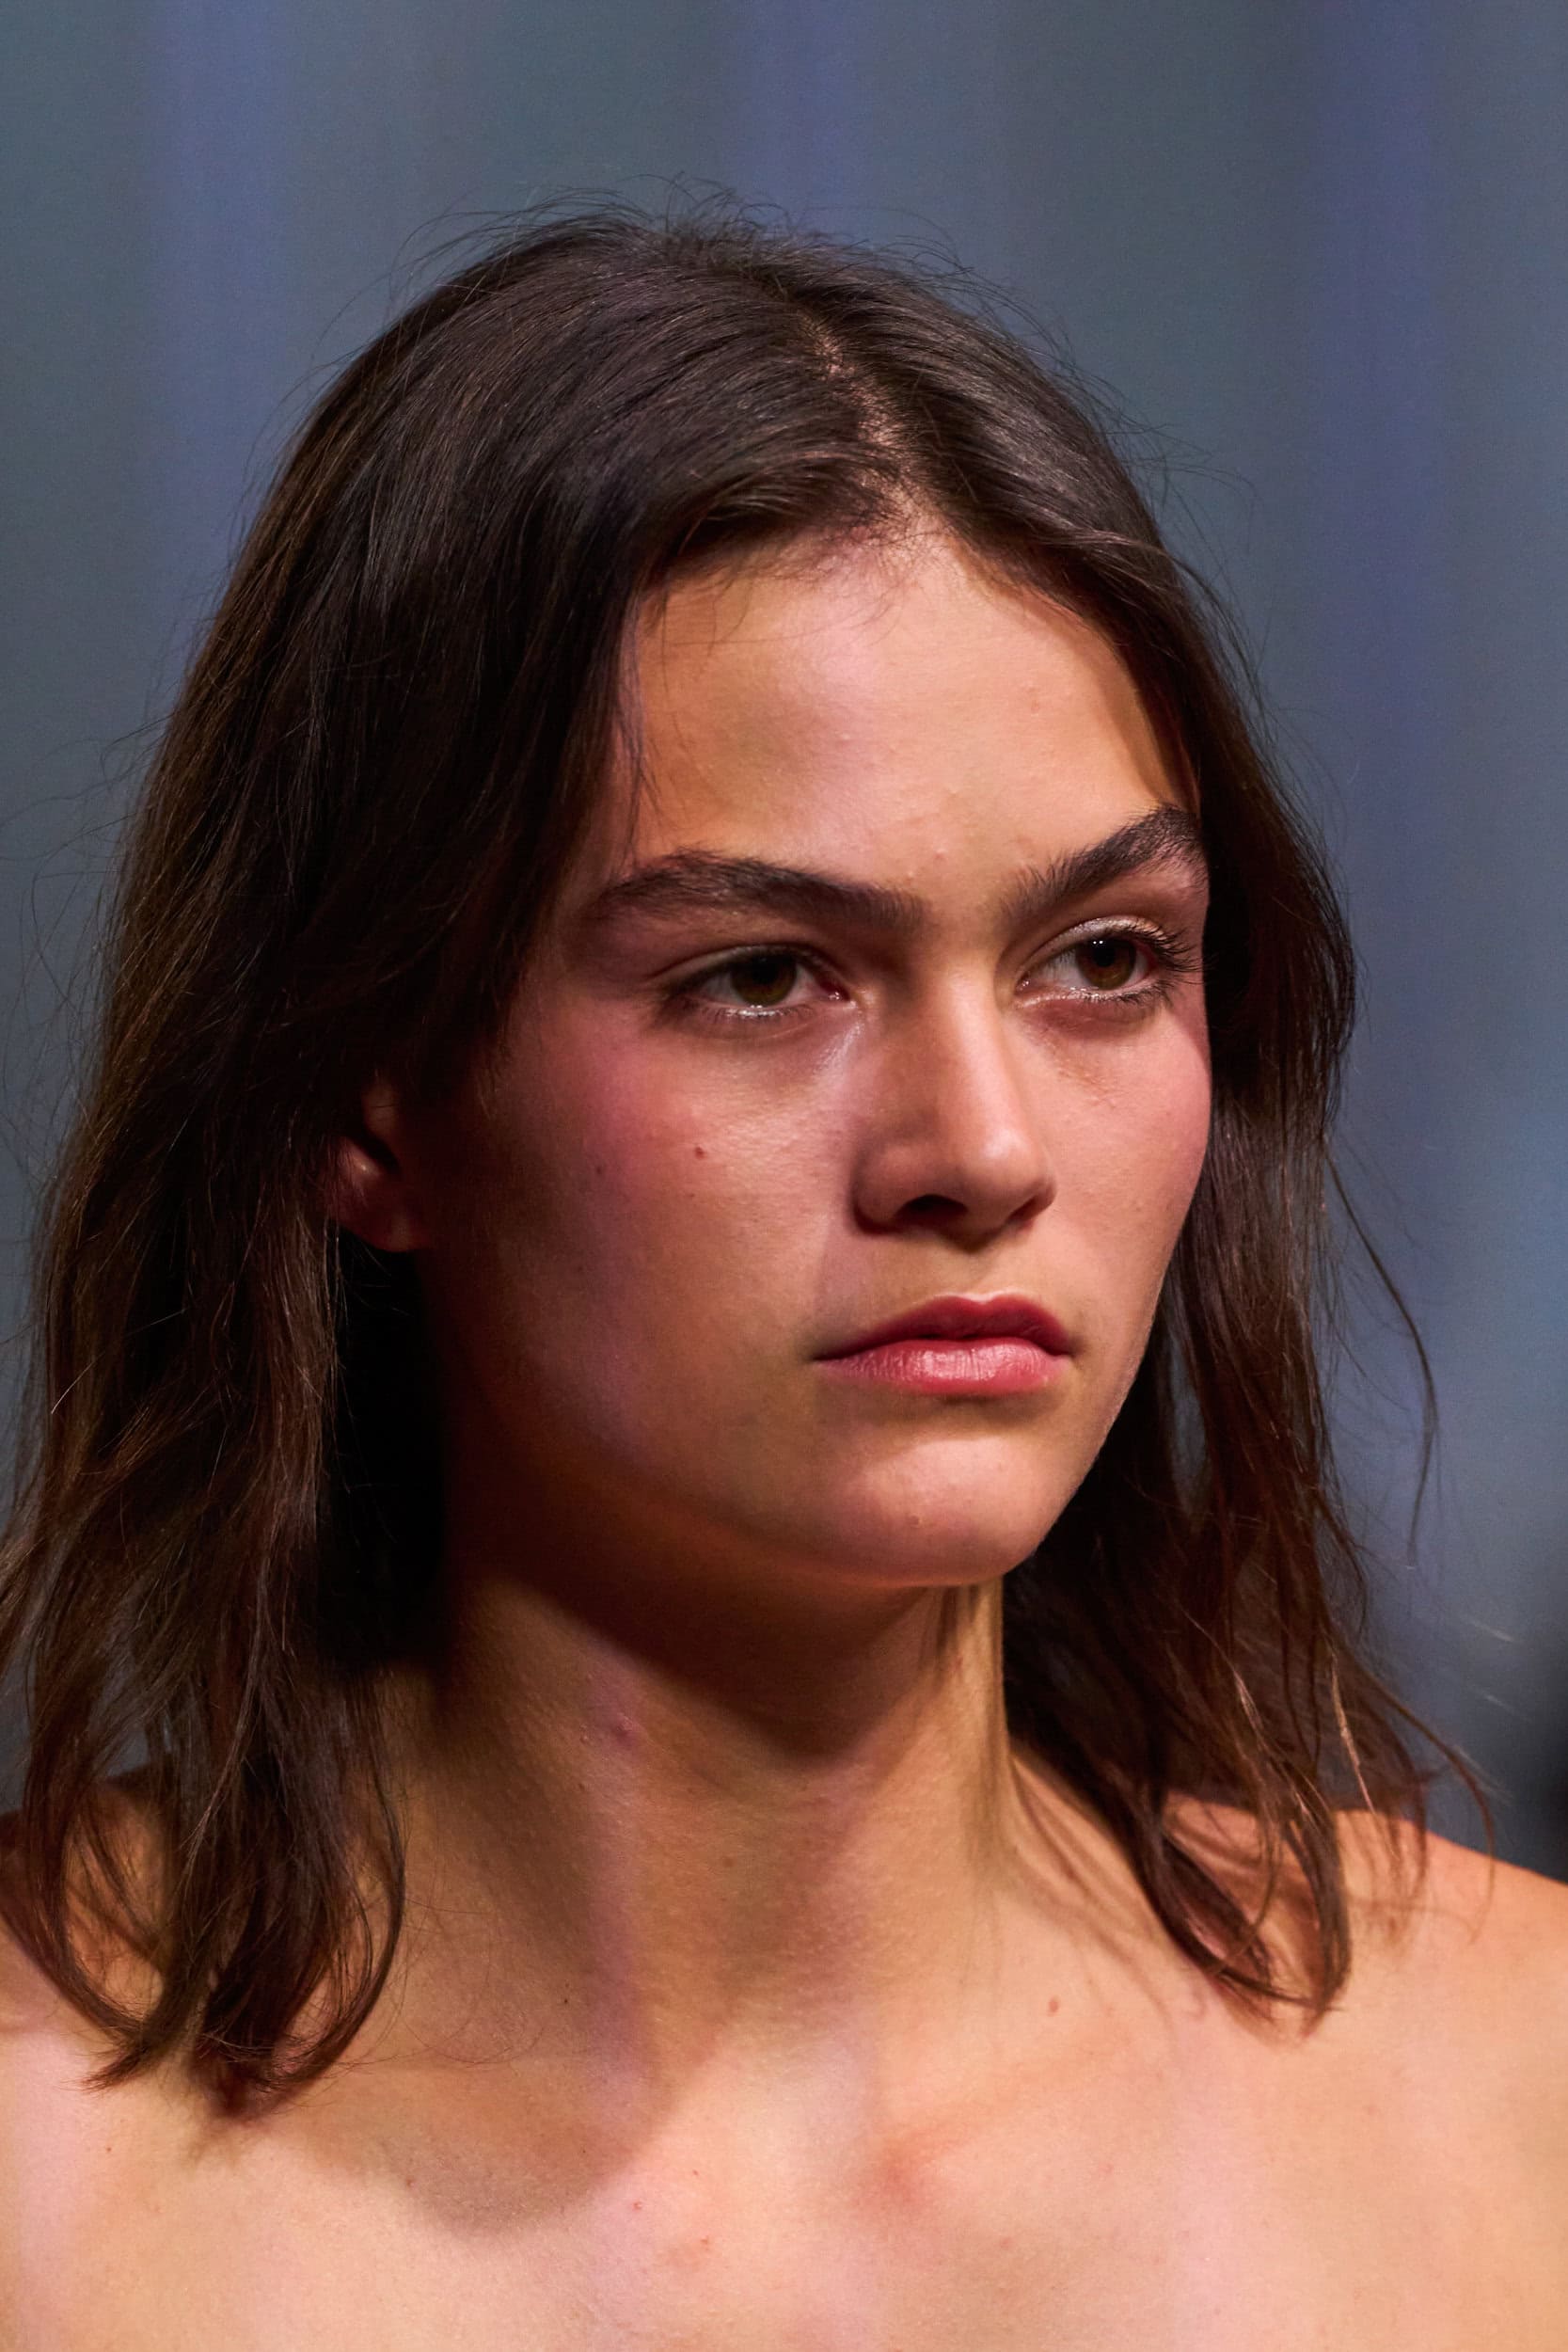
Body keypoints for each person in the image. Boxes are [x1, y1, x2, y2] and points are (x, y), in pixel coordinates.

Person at [1, 203, 1564, 2347]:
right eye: (763, 977)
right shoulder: (46, 2170)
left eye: (1105, 960)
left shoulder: (1508, 2107)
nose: (982, 1150)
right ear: (371, 1097)